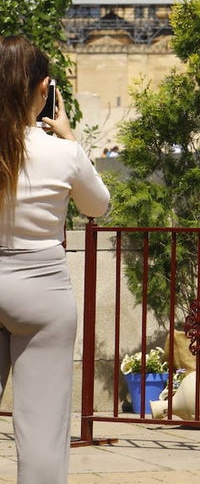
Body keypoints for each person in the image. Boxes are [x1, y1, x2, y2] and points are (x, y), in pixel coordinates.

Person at [0, 35, 111, 483]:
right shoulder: (63, 154)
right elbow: (97, 206)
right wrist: (71, 139)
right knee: (42, 431)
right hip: (42, 289)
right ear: (44, 90)